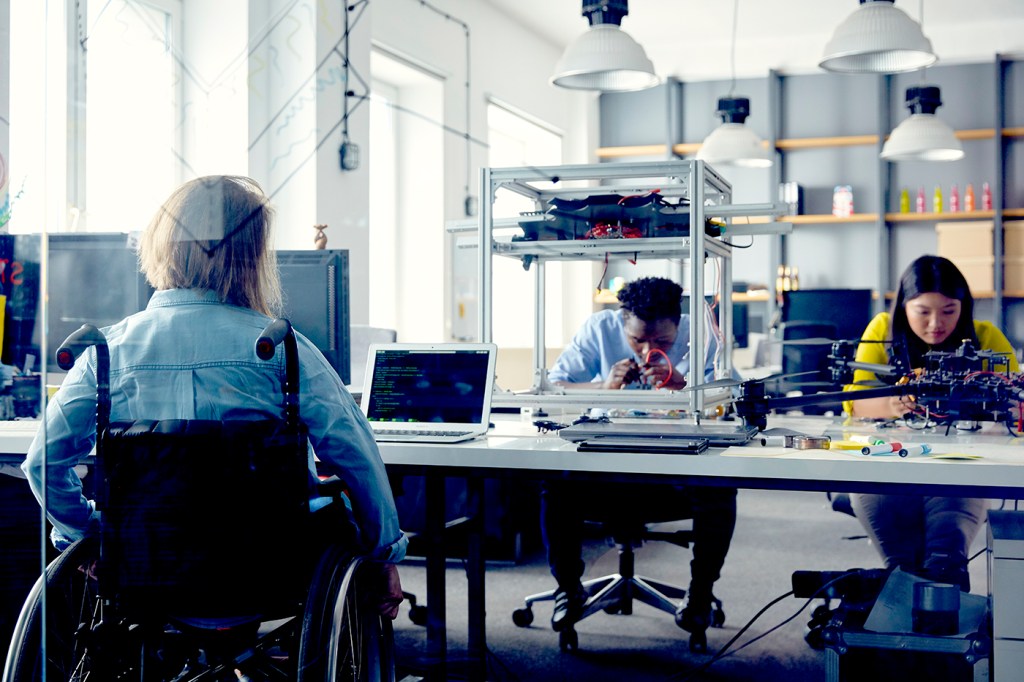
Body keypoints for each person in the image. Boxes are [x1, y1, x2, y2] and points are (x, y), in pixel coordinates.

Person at [21, 175, 406, 617]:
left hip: (145, 567)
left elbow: (42, 463)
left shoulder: (107, 353)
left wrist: (89, 531)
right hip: (265, 571)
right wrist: (384, 556)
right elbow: (356, 457)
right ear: (253, 258)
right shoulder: (283, 351)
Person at [542, 276, 738, 647]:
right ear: (622, 323)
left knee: (720, 484)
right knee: (556, 483)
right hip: (604, 474)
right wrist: (603, 388)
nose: (648, 351)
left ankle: (699, 596)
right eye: (637, 340)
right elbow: (554, 386)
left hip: (675, 475)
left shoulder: (705, 333)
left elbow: (732, 399)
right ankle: (568, 589)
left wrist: (684, 386)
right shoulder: (599, 328)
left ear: (679, 324)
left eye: (662, 342)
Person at [842, 254, 1018, 590]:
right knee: (901, 568)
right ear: (904, 306)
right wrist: (896, 403)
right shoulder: (883, 330)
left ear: (963, 308)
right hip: (887, 462)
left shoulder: (985, 336)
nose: (936, 323)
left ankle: (945, 609)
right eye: (923, 312)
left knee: (946, 560)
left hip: (961, 465)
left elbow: (1017, 396)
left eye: (949, 311)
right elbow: (855, 401)